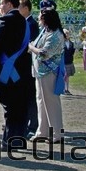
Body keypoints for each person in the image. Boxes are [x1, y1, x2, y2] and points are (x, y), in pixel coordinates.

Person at [0, 0, 31, 151]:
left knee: (8, 105)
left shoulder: (3, 20)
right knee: (19, 105)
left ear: (9, 4)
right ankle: (19, 139)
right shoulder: (24, 22)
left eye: (1, 3)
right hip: (22, 71)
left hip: (5, 70)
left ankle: (8, 141)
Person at [27, 9, 65, 143]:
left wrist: (31, 47)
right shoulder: (45, 32)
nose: (38, 19)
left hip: (49, 73)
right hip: (40, 72)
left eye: (40, 17)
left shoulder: (56, 35)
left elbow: (44, 53)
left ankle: (57, 134)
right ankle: (42, 131)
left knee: (51, 103)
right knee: (41, 102)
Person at [18, 0, 40, 136]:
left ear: (26, 8)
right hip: (24, 64)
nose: (18, 10)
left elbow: (31, 44)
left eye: (19, 7)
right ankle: (25, 123)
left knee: (31, 96)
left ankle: (33, 125)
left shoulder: (31, 24)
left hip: (29, 64)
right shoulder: (25, 22)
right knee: (25, 96)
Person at [62, 29, 76, 95]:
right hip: (63, 62)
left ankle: (66, 89)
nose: (66, 35)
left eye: (67, 33)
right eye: (65, 33)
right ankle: (63, 89)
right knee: (64, 76)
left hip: (69, 61)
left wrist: (75, 51)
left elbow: (72, 52)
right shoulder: (61, 43)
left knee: (67, 76)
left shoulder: (71, 43)